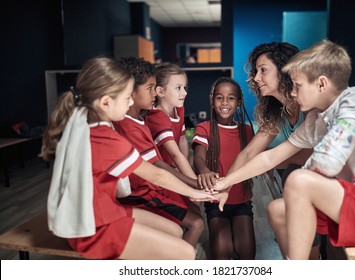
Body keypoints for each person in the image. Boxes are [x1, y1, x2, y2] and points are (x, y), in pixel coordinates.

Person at [213, 39, 355, 260]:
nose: (293, 93)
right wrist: (225, 183)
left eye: (298, 86)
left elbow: (328, 162)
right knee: (277, 210)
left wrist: (302, 186)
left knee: (298, 179)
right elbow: (269, 158)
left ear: (321, 84)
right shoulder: (316, 120)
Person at [40, 56, 216, 260]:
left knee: (177, 232)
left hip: (102, 210)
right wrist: (196, 192)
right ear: (106, 102)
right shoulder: (105, 138)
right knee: (185, 252)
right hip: (94, 227)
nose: (131, 102)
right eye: (126, 98)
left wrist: (193, 190)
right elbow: (156, 175)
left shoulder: (86, 121)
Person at [226, 42, 319, 259]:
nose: (256, 78)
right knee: (286, 191)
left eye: (263, 70)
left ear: (285, 69)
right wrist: (225, 185)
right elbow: (249, 153)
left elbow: (312, 155)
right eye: (256, 71)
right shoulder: (277, 111)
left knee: (292, 176)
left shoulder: (311, 105)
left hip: (336, 181)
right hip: (306, 183)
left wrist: (273, 160)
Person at [113, 57, 204, 248]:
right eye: (149, 88)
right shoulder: (137, 124)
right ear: (130, 91)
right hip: (142, 193)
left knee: (189, 221)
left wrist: (193, 185)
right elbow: (157, 168)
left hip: (153, 186)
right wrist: (194, 185)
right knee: (194, 224)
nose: (154, 92)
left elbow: (180, 145)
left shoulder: (139, 119)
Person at [192, 77, 255, 259]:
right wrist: (203, 170)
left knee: (247, 253)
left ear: (239, 102)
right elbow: (198, 156)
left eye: (231, 98)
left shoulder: (247, 131)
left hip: (242, 201)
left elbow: (254, 159)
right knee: (222, 254)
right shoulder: (204, 128)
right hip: (215, 203)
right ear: (212, 101)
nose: (225, 103)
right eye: (219, 98)